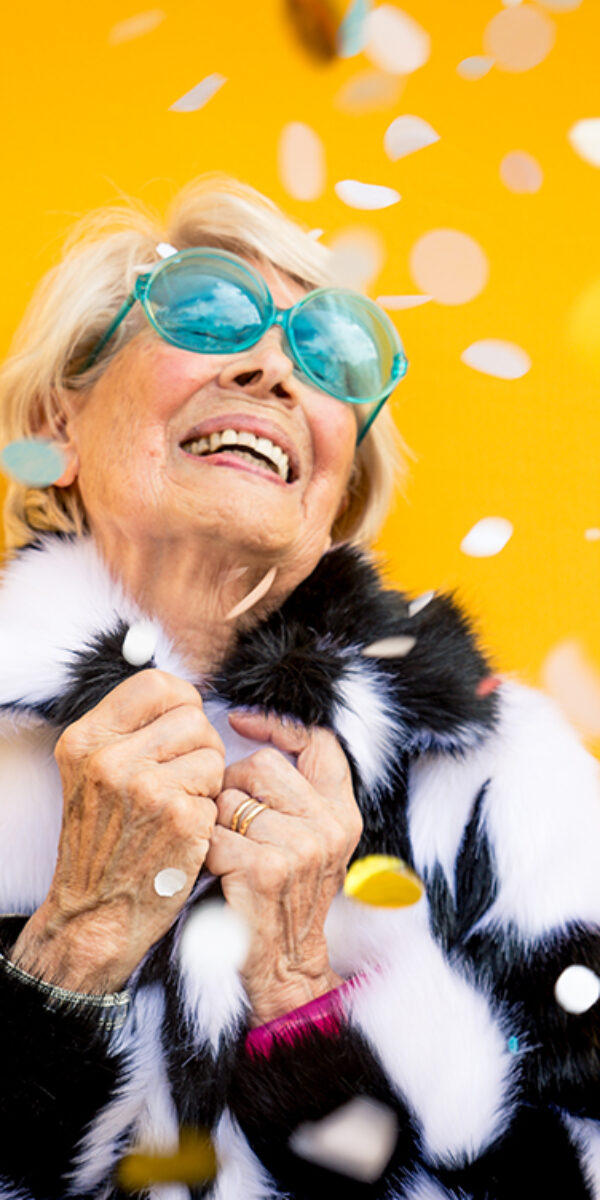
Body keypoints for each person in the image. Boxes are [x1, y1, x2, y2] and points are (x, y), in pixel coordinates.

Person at [0, 174, 599, 1200]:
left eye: (331, 354)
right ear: (58, 418)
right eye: (203, 308)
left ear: (337, 492)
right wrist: (77, 946)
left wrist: (302, 1003)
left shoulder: (503, 776)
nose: (275, 368)